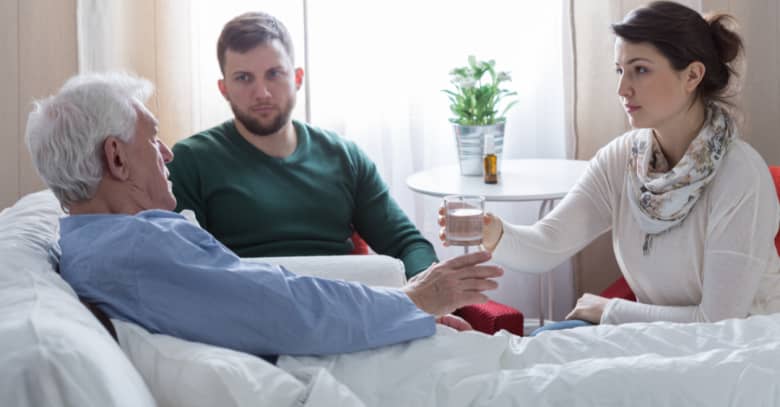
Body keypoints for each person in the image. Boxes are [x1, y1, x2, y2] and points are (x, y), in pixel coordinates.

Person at [25, 72, 503, 362]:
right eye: (151, 140)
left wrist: (409, 305)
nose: (167, 154)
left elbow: (263, 289)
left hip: (348, 328)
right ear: (117, 158)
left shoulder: (112, 239)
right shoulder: (133, 251)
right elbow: (284, 306)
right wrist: (414, 302)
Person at [441, 1, 780, 334]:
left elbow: (718, 324)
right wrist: (492, 230)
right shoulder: (623, 159)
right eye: (620, 70)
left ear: (692, 75)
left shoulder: (740, 176)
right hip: (657, 339)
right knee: (538, 349)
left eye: (640, 69)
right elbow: (547, 245)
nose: (622, 89)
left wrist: (609, 309)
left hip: (740, 357)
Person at [166, 12, 436, 279]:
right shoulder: (190, 160)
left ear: (297, 78)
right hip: (250, 309)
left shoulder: (343, 156)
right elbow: (184, 271)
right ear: (223, 88)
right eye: (244, 78)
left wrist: (430, 289)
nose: (262, 93)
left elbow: (407, 244)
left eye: (274, 74)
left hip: (349, 306)